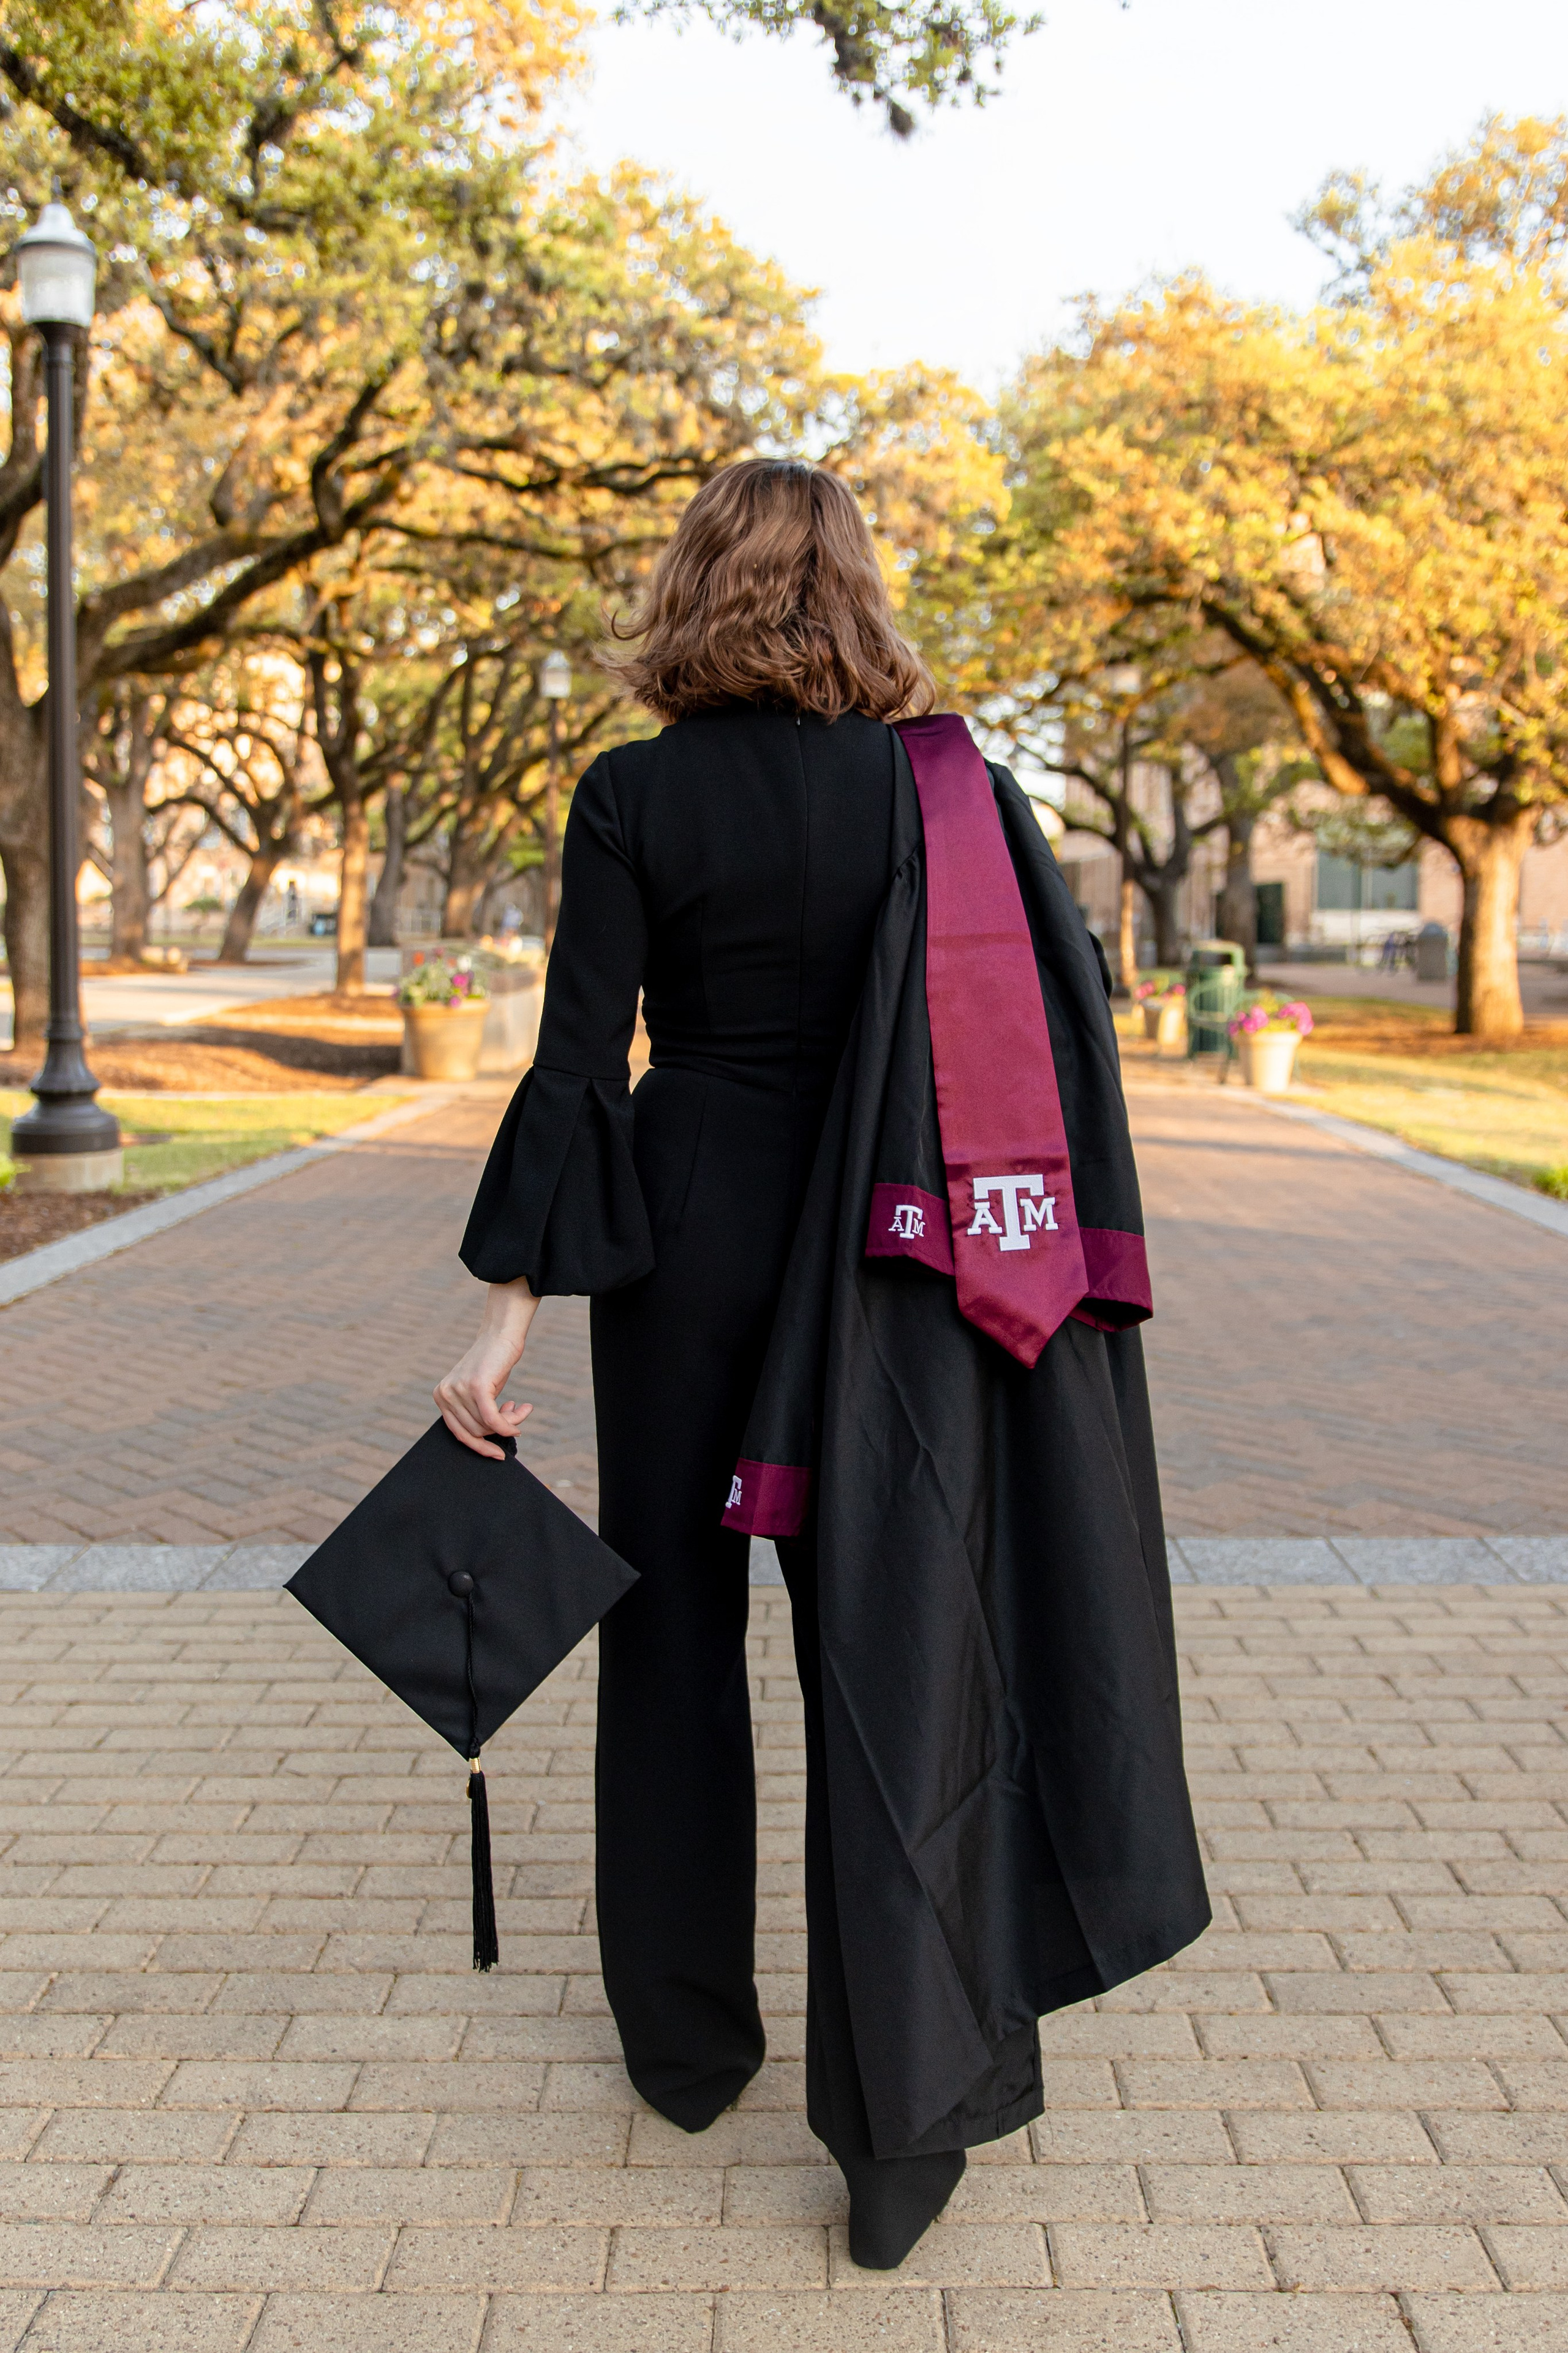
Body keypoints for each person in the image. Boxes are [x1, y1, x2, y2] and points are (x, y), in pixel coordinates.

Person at [434, 460, 1199, 2267]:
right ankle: (903, 2123)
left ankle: (689, 2041)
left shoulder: (627, 796)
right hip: (891, 1258)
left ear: (691, 590)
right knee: (899, 1652)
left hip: (687, 1249)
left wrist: (503, 1321)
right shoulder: (950, 793)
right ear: (855, 592)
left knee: (676, 1633)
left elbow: (573, 1069)